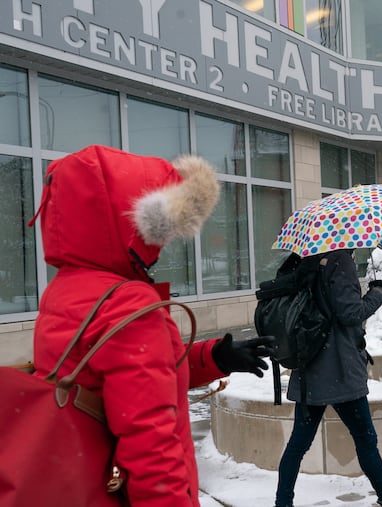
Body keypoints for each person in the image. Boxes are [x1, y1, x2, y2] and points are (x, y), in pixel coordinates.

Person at [30, 145, 274, 507]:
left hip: (79, 480)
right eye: (161, 232)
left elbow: (131, 379)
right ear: (127, 223)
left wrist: (215, 357)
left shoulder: (67, 290)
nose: (161, 246)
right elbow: (151, 448)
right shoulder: (125, 304)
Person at [274, 248, 382, 507]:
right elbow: (350, 313)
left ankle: (282, 504)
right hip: (338, 370)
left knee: (298, 444)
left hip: (310, 370)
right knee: (365, 438)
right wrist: (378, 292)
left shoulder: (309, 261)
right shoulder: (340, 262)